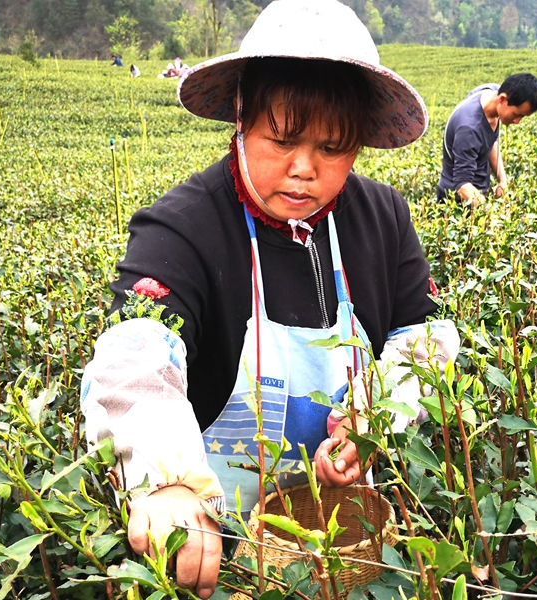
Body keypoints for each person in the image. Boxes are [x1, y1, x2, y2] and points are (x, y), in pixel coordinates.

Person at [79, 0, 458, 597]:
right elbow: (135, 351)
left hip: (336, 535)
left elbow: (424, 331)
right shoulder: (183, 226)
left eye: (332, 149)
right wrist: (168, 479)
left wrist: (377, 414)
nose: (303, 169)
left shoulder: (383, 218)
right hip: (210, 545)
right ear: (241, 118)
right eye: (280, 139)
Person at [437, 73, 537, 204]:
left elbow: (489, 139)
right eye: (516, 114)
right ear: (502, 99)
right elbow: (462, 186)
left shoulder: (491, 92)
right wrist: (491, 214)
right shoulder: (469, 128)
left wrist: (502, 180)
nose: (517, 121)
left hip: (478, 192)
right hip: (457, 202)